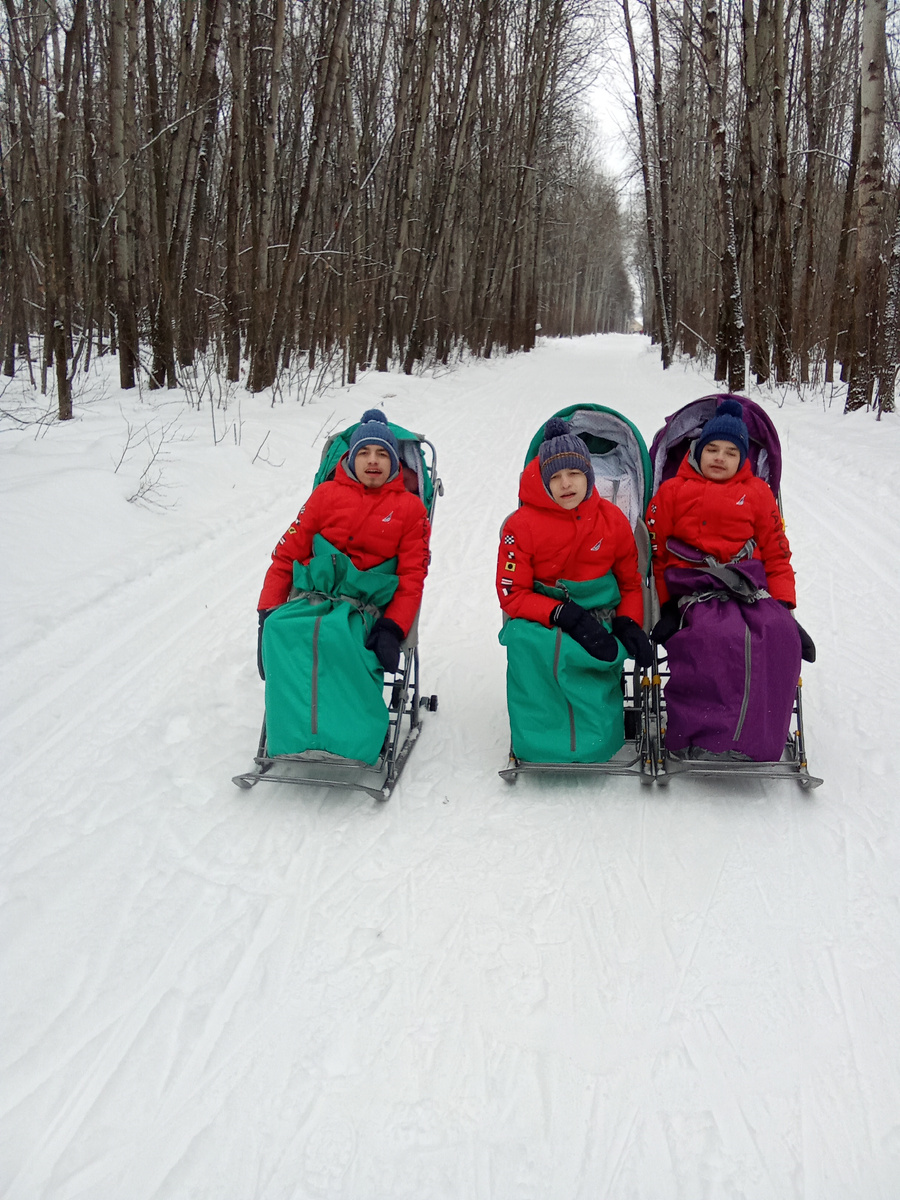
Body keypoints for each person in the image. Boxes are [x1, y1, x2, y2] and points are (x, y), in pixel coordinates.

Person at [646, 397, 814, 761]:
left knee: (780, 637)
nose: (719, 458)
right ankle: (706, 735)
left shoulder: (757, 494)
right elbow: (655, 553)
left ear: (743, 459)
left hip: (749, 587)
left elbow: (776, 552)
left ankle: (757, 737)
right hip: (694, 588)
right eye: (712, 449)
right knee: (717, 639)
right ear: (697, 451)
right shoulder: (672, 491)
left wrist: (785, 608)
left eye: (730, 452)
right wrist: (664, 605)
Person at [257, 409, 431, 761]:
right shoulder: (324, 497)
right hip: (314, 596)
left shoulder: (409, 509)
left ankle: (357, 740)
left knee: (340, 638)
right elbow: (285, 555)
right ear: (350, 459)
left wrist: (392, 626)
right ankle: (294, 734)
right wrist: (266, 610)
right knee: (281, 630)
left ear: (396, 463)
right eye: (364, 452)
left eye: (383, 454)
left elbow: (412, 576)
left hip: (368, 607)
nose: (373, 461)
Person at [496, 417, 651, 763]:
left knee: (601, 654)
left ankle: (594, 738)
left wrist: (628, 623)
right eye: (555, 477)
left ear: (589, 475)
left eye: (575, 474)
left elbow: (630, 582)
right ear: (543, 481)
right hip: (543, 615)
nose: (566, 484)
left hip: (601, 615)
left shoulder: (612, 521)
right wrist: (560, 613)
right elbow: (512, 592)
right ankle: (539, 740)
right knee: (531, 646)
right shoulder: (519, 526)